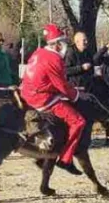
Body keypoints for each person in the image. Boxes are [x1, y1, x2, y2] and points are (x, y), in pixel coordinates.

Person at [21, 24, 85, 176]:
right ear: (56, 43)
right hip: (42, 98)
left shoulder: (38, 53)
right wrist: (76, 95)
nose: (64, 45)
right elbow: (62, 85)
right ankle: (65, 159)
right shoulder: (54, 59)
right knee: (78, 121)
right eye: (62, 41)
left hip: (27, 93)